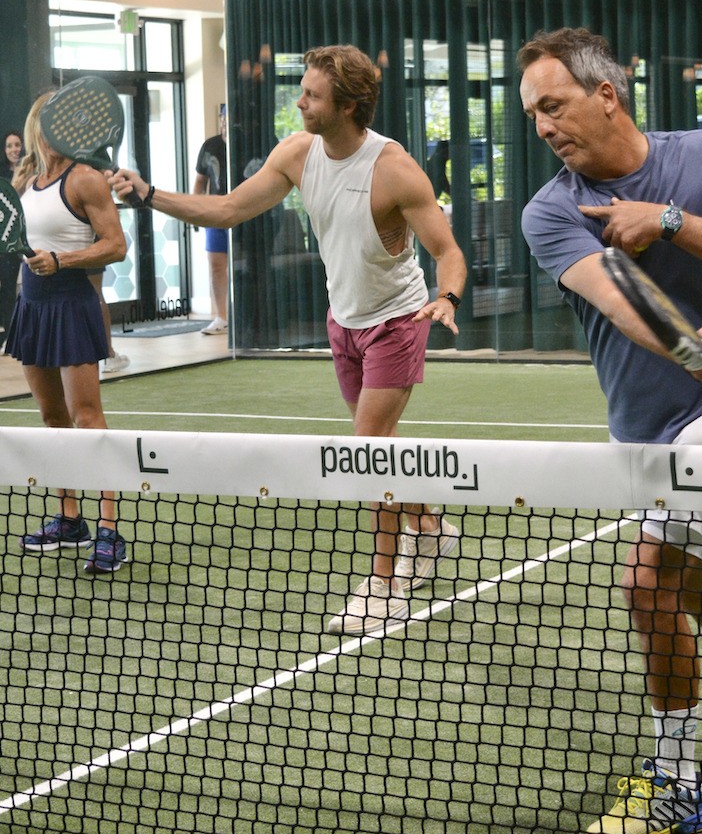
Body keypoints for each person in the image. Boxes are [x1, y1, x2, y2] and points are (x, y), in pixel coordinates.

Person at [517, 28, 702, 834]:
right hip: (641, 432)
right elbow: (614, 294)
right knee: (693, 584)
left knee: (646, 583)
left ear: (608, 94)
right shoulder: (551, 209)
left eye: (554, 105)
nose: (543, 126)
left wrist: (667, 220)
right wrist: (684, 348)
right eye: (533, 113)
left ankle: (679, 784)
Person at [110, 45, 468, 633]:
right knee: (376, 441)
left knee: (369, 447)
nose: (299, 101)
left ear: (349, 106)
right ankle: (428, 529)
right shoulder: (298, 153)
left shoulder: (395, 169)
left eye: (312, 95)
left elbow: (448, 251)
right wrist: (149, 195)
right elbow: (225, 210)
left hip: (398, 321)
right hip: (343, 320)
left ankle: (383, 585)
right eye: (301, 90)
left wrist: (446, 298)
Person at [7, 92, 129, 574]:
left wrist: (62, 260)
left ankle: (108, 530)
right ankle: (70, 519)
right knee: (53, 419)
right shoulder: (26, 181)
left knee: (87, 418)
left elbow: (116, 245)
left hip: (71, 305)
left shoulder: (84, 178)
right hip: (32, 306)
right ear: (40, 123)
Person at [193, 107, 229, 335]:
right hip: (216, 214)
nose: (225, 123)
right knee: (216, 266)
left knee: (245, 268)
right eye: (223, 118)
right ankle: (221, 317)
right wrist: (195, 210)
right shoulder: (210, 146)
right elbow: (200, 182)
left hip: (245, 214)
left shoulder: (252, 141)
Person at [0, 129, 24, 345]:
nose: (14, 149)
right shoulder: (2, 175)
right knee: (6, 288)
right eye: (9, 146)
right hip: (4, 237)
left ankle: (14, 335)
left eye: (17, 144)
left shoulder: (32, 172)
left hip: (24, 236)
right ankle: (7, 334)